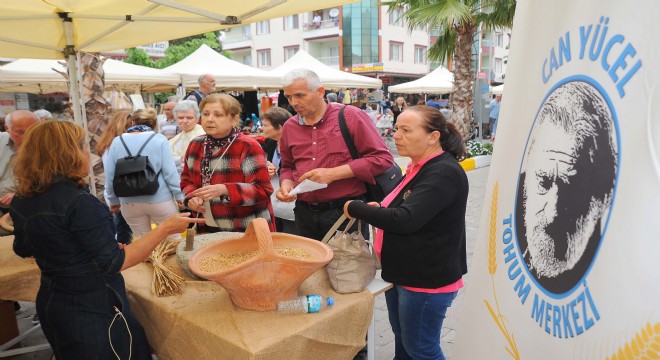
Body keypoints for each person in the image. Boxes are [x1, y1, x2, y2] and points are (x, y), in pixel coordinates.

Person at [10, 121, 204, 360]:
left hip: (53, 302)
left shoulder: (22, 199)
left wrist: (92, 248)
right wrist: (164, 229)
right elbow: (113, 263)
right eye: (83, 147)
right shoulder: (80, 202)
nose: (87, 154)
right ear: (68, 154)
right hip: (93, 308)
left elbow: (23, 248)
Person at [343, 105, 468, 360]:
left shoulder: (443, 171)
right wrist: (381, 207)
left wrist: (355, 207)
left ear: (433, 136)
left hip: (425, 281)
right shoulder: (419, 166)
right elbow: (411, 207)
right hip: (403, 273)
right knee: (405, 344)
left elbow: (406, 219)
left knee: (421, 349)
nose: (396, 135)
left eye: (406, 130)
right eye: (397, 128)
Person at [515, 81, 617, 294]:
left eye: (572, 192)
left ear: (604, 198)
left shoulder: (608, 280)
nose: (552, 213)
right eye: (543, 182)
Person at [277, 69, 394, 240]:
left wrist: (332, 174)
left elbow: (382, 159)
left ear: (320, 92)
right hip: (304, 212)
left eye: (300, 95)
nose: (294, 102)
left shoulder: (350, 116)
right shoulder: (290, 126)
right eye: (289, 97)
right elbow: (287, 166)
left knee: (348, 266)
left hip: (345, 211)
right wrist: (286, 185)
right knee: (312, 266)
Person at [181, 93, 275, 233]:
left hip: (244, 228)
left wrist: (226, 189)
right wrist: (191, 198)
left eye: (218, 115)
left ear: (234, 119)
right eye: (206, 114)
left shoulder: (248, 146)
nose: (210, 119)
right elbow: (186, 180)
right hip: (205, 224)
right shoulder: (196, 144)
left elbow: (262, 190)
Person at [103, 108, 184, 240]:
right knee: (173, 239)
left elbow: (110, 174)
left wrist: (113, 199)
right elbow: (170, 172)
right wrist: (179, 195)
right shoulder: (160, 139)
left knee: (142, 243)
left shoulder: (117, 141)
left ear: (132, 123)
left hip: (129, 202)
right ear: (154, 124)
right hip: (160, 199)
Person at [95, 110, 134, 245]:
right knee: (123, 230)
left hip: (116, 191)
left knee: (123, 227)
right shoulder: (117, 146)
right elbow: (112, 175)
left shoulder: (109, 146)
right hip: (120, 192)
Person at [260, 107, 297, 234]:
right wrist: (266, 166)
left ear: (280, 128)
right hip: (275, 203)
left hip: (292, 203)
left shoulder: (296, 146)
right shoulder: (270, 143)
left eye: (265, 125)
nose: (261, 128)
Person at [0, 110, 40, 222]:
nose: (27, 137)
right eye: (20, 132)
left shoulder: (46, 148)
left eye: (32, 131)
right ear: (7, 128)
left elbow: (51, 185)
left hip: (26, 211)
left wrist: (20, 196)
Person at [169, 100, 206, 173]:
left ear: (197, 119)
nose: (185, 121)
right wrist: (180, 159)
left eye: (189, 118)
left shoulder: (202, 136)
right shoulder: (175, 139)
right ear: (176, 119)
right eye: (181, 118)